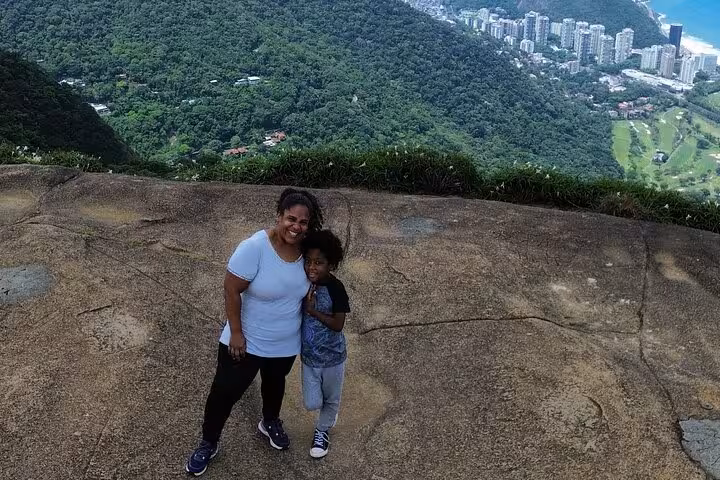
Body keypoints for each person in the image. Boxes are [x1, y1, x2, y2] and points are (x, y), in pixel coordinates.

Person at [185, 188, 324, 477]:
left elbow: (313, 279)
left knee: (275, 385)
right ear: (279, 216)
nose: (296, 227)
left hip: (284, 342)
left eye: (302, 222)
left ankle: (269, 421)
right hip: (245, 340)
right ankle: (208, 443)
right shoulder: (255, 247)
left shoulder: (306, 252)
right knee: (224, 392)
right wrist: (235, 332)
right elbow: (231, 288)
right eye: (290, 219)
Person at [300, 229, 351, 458]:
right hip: (309, 357)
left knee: (331, 400)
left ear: (331, 264)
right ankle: (328, 413)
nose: (312, 267)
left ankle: (322, 430)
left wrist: (312, 311)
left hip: (333, 357)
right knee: (312, 403)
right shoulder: (302, 283)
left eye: (319, 263)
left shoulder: (336, 289)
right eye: (308, 261)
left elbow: (338, 324)